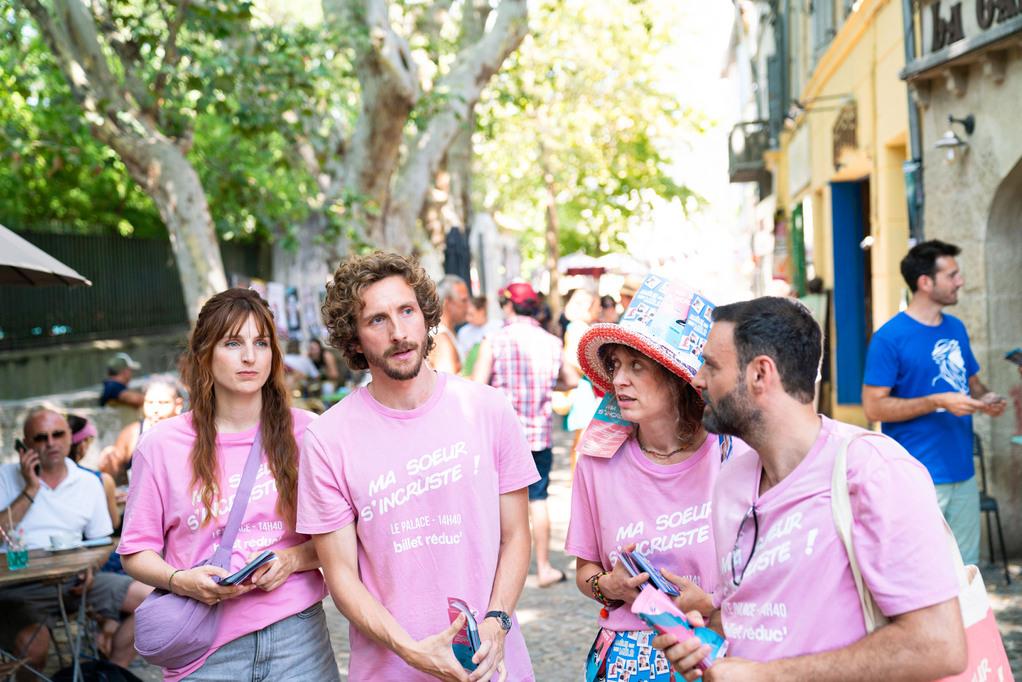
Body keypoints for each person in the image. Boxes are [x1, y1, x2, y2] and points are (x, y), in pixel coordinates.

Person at [656, 297, 966, 681]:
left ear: (760, 374)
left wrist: (769, 676)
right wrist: (703, 642)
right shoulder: (731, 483)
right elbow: (750, 624)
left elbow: (938, 645)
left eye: (712, 365)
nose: (698, 379)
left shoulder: (873, 470)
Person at [298, 252, 539, 681]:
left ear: (426, 317)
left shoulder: (487, 409)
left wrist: (497, 623)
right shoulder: (327, 438)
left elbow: (517, 535)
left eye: (406, 311)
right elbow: (341, 577)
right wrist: (413, 652)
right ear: (353, 339)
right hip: (390, 669)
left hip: (493, 665)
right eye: (376, 320)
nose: (398, 332)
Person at [119, 288, 337, 682]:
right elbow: (135, 551)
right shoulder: (162, 446)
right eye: (233, 343)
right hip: (205, 649)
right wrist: (179, 581)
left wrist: (291, 561)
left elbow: (340, 538)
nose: (250, 356)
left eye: (261, 343)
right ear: (205, 353)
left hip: (297, 639)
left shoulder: (308, 433)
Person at [566, 285, 723, 682]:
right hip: (626, 661)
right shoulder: (597, 459)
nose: (619, 379)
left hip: (715, 646)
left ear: (676, 378)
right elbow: (586, 571)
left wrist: (710, 604)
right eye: (616, 365)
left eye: (637, 366)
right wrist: (612, 586)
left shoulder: (732, 454)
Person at [862, 240, 1006, 565]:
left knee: (966, 574)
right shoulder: (889, 338)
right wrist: (936, 401)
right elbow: (874, 407)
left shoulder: (956, 328)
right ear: (925, 283)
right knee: (921, 573)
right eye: (952, 275)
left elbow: (972, 383)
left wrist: (987, 398)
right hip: (918, 479)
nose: (960, 281)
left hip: (964, 475)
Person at [0, 408, 150, 670]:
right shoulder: (5, 477)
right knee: (33, 651)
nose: (51, 443)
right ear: (25, 445)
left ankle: (112, 672)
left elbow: (102, 543)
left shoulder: (87, 482)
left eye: (57, 434)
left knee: (155, 601)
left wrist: (91, 569)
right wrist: (30, 488)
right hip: (20, 587)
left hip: (75, 582)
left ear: (70, 437)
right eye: (40, 437)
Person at [472, 282, 566, 589]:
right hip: (539, 435)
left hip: (500, 439)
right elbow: (570, 379)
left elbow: (477, 388)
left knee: (498, 503)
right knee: (538, 500)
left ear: (508, 306)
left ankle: (500, 572)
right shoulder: (552, 342)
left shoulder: (494, 340)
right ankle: (544, 567)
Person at [100, 380, 183, 486]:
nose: (155, 409)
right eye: (149, 402)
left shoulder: (188, 433)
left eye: (163, 403)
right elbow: (114, 475)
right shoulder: (132, 434)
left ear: (178, 405)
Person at [69, 415, 120, 529]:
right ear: (82, 444)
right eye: (89, 440)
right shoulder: (102, 480)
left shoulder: (40, 477)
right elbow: (114, 523)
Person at [428, 273, 470, 374]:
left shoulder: (446, 333)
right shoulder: (441, 339)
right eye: (464, 300)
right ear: (448, 303)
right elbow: (447, 386)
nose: (468, 305)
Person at [457, 296, 502, 367]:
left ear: (481, 311)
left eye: (471, 315)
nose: (467, 318)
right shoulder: (463, 331)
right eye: (466, 314)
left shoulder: (499, 326)